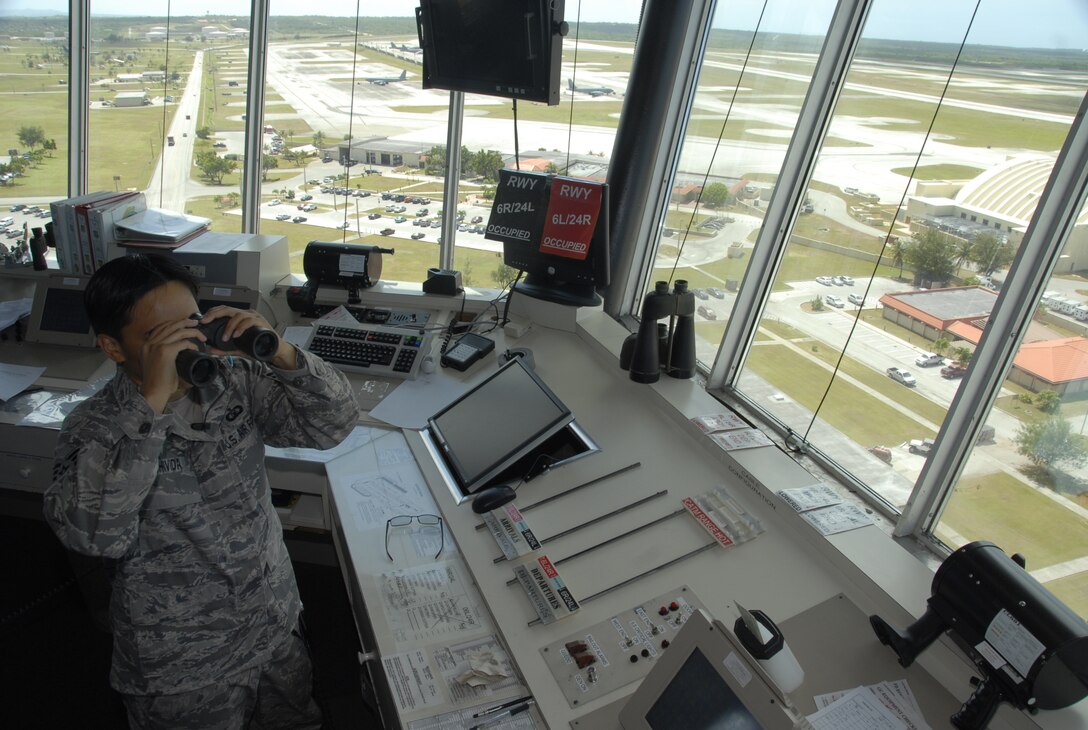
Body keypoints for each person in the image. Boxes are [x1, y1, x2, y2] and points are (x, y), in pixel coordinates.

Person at [43, 254, 360, 729]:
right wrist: (150, 405)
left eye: (190, 325)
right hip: (184, 663)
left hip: (271, 622)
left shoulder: (232, 382)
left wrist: (280, 354)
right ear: (112, 346)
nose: (185, 344)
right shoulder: (95, 428)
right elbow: (94, 536)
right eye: (160, 337)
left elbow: (332, 425)